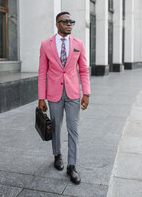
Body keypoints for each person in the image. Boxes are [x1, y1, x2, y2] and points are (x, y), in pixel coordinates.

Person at [38, 11, 91, 185]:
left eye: (71, 22)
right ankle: (57, 155)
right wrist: (41, 98)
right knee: (55, 128)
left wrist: (86, 93)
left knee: (73, 129)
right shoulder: (46, 45)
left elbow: (83, 70)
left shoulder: (79, 44)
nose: (69, 24)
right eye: (65, 21)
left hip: (74, 93)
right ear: (57, 24)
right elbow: (42, 73)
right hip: (53, 94)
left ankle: (72, 166)